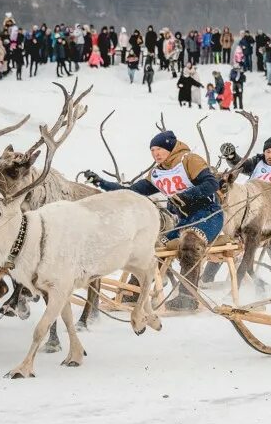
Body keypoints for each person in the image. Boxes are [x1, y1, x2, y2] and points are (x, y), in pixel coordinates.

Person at [83, 131, 222, 311]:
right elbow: (130, 192)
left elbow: (212, 184)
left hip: (209, 214)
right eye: (153, 150)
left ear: (170, 147)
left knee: (190, 243)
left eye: (160, 149)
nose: (156, 153)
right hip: (184, 221)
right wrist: (101, 183)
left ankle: (188, 298)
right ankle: (134, 292)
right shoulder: (157, 173)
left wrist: (186, 196)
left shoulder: (189, 160)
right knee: (150, 247)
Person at [212, 136, 271, 285]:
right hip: (248, 211)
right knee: (226, 235)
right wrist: (231, 155)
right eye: (268, 152)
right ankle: (208, 277)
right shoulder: (257, 163)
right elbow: (241, 164)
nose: (270, 155)